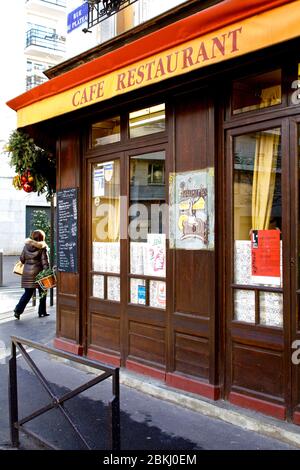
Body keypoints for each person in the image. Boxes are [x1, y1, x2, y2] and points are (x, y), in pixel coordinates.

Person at [14, 229, 50, 319]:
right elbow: (45, 262)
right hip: (39, 275)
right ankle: (42, 312)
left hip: (27, 274)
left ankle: (18, 310)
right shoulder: (42, 247)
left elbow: (22, 259)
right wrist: (47, 272)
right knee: (43, 292)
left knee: (27, 294)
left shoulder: (26, 246)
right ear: (42, 237)